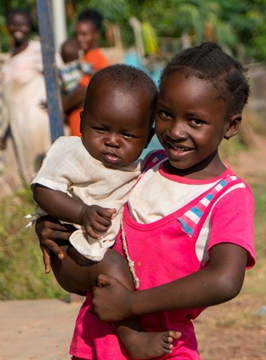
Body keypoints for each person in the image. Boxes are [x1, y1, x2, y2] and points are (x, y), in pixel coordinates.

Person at [35, 42, 255, 359]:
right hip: (95, 342)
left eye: (195, 121)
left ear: (231, 125)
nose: (176, 131)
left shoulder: (226, 196)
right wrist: (50, 225)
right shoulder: (142, 167)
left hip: (164, 347)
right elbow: (87, 239)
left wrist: (130, 304)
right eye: (166, 114)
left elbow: (225, 280)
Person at [31, 64, 177, 359]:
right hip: (69, 251)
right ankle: (133, 339)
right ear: (82, 122)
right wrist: (81, 213)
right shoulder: (71, 152)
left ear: (147, 139)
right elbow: (42, 189)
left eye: (127, 135)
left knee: (117, 268)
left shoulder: (140, 167)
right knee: (112, 268)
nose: (112, 140)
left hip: (99, 250)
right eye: (101, 129)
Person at [0, 8, 52, 183]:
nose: (18, 28)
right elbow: (10, 99)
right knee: (21, 172)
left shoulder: (38, 49)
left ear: (29, 27)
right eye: (14, 24)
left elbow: (58, 75)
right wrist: (6, 132)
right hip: (16, 122)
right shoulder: (9, 56)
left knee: (40, 168)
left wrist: (56, 104)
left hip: (35, 118)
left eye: (22, 24)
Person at [64, 9, 111, 137]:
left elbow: (82, 91)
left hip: (83, 129)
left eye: (84, 34)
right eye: (76, 35)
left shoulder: (93, 58)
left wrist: (61, 109)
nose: (79, 39)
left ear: (96, 35)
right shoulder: (90, 58)